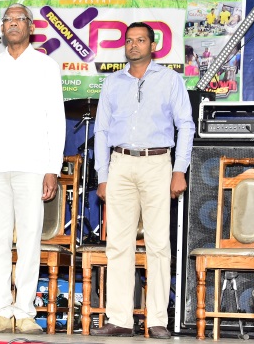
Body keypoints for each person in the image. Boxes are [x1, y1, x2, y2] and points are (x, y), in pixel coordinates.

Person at [91, 22, 195, 339]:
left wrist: (180, 169)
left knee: (158, 244)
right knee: (117, 244)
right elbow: (101, 131)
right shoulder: (112, 82)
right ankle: (119, 319)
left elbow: (186, 125)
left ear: (153, 46)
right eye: (129, 40)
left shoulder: (170, 80)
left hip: (157, 163)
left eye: (140, 40)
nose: (133, 45)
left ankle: (157, 319)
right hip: (120, 163)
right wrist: (103, 175)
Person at [0, 3, 66, 334]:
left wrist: (52, 167)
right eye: (8, 20)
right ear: (1, 28)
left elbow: (56, 119)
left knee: (29, 240)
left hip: (32, 165)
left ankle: (25, 311)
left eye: (19, 19)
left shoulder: (46, 67)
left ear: (31, 27)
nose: (13, 24)